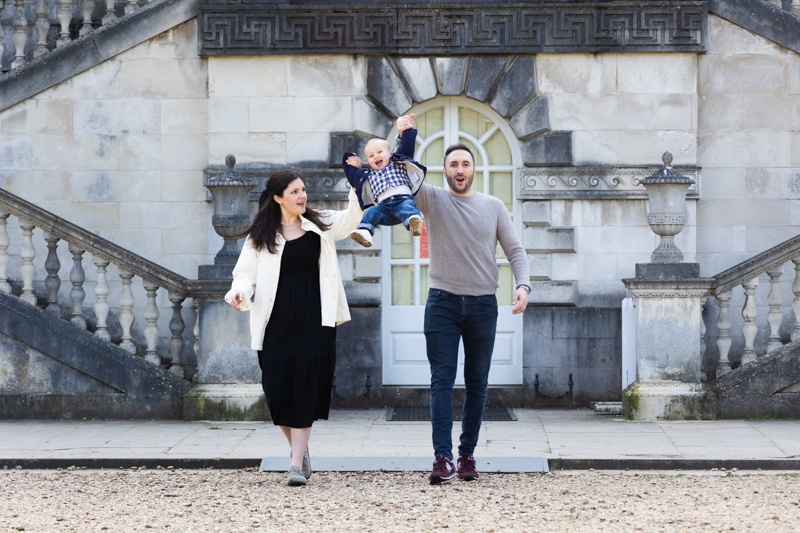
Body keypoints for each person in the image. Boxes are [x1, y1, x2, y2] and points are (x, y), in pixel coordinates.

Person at [400, 115, 531, 484]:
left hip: (482, 305)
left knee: (477, 382)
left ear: (474, 170)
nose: (460, 169)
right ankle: (442, 458)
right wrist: (403, 134)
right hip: (441, 303)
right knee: (441, 380)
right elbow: (403, 174)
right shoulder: (432, 198)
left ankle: (468, 455)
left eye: (465, 164)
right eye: (453, 164)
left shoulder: (493, 206)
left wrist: (523, 286)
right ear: (444, 171)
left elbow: (516, 250)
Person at [224, 169, 362, 486]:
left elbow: (352, 219)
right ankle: (300, 450)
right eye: (295, 192)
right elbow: (244, 273)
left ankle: (295, 464)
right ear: (278, 197)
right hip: (274, 323)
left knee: (304, 390)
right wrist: (239, 292)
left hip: (315, 321)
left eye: (303, 190)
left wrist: (356, 185)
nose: (302, 196)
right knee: (277, 393)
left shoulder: (320, 223)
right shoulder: (260, 234)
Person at [342, 115, 427, 248]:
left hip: (402, 201)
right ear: (368, 161)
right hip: (384, 208)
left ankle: (413, 222)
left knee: (408, 205)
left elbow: (406, 146)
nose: (376, 156)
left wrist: (404, 131)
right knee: (371, 212)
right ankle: (365, 232)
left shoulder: (398, 162)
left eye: (379, 152)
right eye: (371, 156)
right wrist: (350, 162)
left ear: (391, 153)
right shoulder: (367, 175)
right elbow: (352, 176)